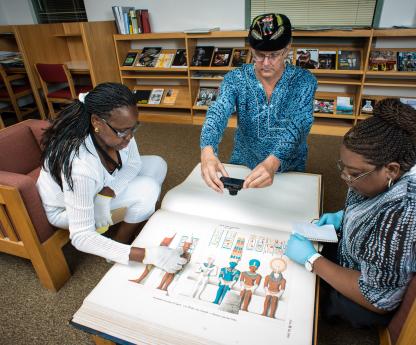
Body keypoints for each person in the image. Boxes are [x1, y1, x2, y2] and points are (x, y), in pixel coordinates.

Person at [285, 98, 416, 328]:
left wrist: (312, 260)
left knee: (317, 296)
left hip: (379, 295)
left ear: (392, 170)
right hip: (386, 248)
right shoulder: (410, 150)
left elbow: (378, 299)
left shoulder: (409, 212)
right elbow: (376, 197)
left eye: (354, 173)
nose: (344, 178)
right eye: (342, 167)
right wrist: (344, 216)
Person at [37, 82, 187, 272]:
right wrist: (148, 256)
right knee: (148, 188)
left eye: (134, 128)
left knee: (157, 164)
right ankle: (121, 245)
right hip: (65, 209)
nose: (130, 137)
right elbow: (81, 236)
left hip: (97, 187)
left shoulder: (119, 127)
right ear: (97, 122)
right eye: (123, 131)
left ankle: (132, 221)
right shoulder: (81, 166)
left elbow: (133, 163)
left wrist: (106, 195)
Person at [200, 13, 317, 191]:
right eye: (259, 55)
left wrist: (273, 162)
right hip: (244, 162)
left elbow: (299, 125)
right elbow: (218, 111)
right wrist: (207, 150)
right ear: (251, 49)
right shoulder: (235, 78)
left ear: (287, 48)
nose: (266, 63)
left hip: (287, 165)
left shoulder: (304, 81)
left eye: (274, 55)